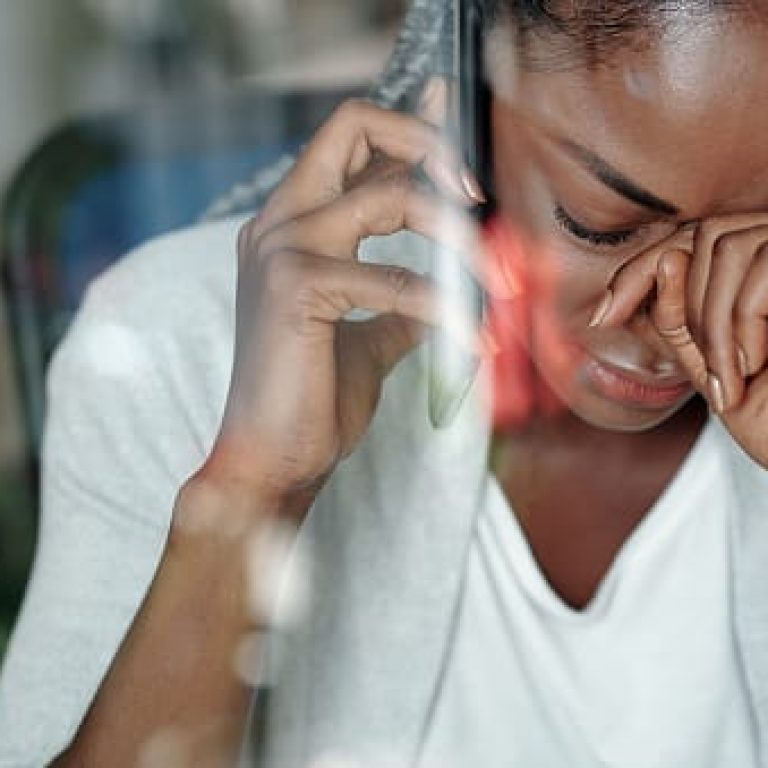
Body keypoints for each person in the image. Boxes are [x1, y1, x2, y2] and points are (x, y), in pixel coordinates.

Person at [2, 0, 768, 766]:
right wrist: (251, 487)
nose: (677, 315)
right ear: (464, 98)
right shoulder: (175, 342)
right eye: (600, 225)